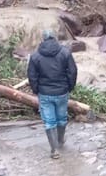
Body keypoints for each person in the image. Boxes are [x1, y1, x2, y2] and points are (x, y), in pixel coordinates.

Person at [27, 30, 78, 159]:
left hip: (45, 93)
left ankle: (54, 150)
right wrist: (69, 87)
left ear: (42, 40)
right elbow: (73, 71)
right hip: (62, 92)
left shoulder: (35, 56)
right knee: (62, 118)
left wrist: (36, 90)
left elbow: (32, 76)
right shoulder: (65, 52)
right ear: (54, 38)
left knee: (49, 122)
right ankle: (60, 141)